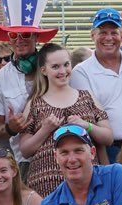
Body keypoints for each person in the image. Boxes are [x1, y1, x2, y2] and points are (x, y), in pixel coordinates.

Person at [18, 42, 113, 196]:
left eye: (66, 65)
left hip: (87, 185)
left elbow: (108, 137)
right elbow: (25, 150)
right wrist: (45, 130)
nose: (63, 71)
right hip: (46, 187)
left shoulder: (86, 97)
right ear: (44, 70)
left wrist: (86, 125)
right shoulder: (34, 103)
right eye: (55, 67)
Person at [0, 0, 60, 163]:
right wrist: (10, 128)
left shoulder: (55, 69)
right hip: (23, 162)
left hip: (59, 156)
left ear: (36, 37)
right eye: (13, 35)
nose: (19, 40)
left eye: (26, 34)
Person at [71, 7, 122, 165]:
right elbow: (89, 118)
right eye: (102, 32)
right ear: (93, 35)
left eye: (114, 32)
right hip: (109, 150)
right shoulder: (81, 72)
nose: (108, 38)